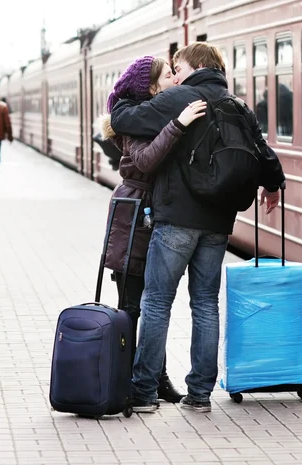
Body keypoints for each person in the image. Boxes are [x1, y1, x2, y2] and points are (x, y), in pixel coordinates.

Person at [111, 42, 285, 413]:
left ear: (195, 67)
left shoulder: (182, 98)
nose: (174, 74)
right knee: (205, 304)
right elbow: (266, 156)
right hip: (219, 222)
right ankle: (200, 395)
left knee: (157, 302)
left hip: (177, 218)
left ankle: (143, 393)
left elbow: (123, 120)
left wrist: (123, 94)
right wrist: (272, 187)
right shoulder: (238, 106)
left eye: (178, 66)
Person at [100, 56, 207, 405]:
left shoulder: (153, 112)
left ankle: (154, 377)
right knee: (133, 304)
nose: (176, 80)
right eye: (169, 75)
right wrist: (177, 124)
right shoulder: (137, 121)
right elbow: (146, 161)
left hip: (154, 211)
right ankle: (127, 381)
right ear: (151, 87)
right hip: (135, 215)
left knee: (154, 303)